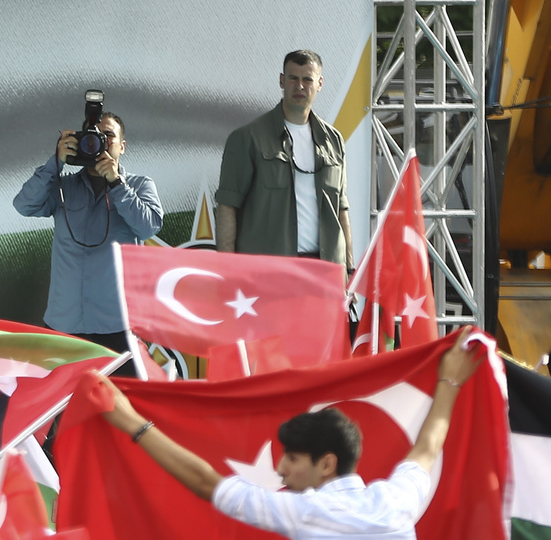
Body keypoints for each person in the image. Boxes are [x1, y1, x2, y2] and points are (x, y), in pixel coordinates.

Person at [99, 327, 481, 539]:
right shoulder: (396, 500)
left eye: (293, 458)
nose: (280, 469)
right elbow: (428, 448)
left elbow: (206, 483)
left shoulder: (305, 512)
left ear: (327, 463)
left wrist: (131, 421)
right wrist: (450, 381)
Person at [13, 111, 163, 367]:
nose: (100, 144)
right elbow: (24, 205)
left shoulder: (139, 185)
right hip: (65, 323)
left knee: (122, 403)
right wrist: (56, 163)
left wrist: (117, 184)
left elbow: (149, 227)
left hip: (119, 325)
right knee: (63, 407)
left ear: (122, 146)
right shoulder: (63, 185)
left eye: (108, 137)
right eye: (93, 138)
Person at [215, 49, 354, 276]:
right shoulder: (247, 139)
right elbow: (227, 207)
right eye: (293, 78)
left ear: (319, 83)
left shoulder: (333, 141)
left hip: (325, 272)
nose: (300, 86)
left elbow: (341, 210)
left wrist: (349, 269)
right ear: (282, 81)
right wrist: (227, 273)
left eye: (307, 79)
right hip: (268, 275)